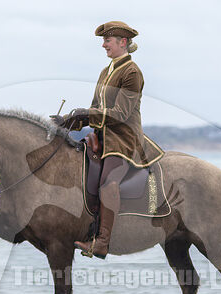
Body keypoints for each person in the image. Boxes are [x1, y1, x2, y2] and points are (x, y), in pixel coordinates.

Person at [53, 21, 164, 259]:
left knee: (107, 183)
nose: (104, 45)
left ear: (122, 42)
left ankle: (102, 242)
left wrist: (83, 113)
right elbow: (95, 109)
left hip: (124, 140)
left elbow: (121, 114)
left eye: (107, 41)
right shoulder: (106, 71)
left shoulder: (132, 72)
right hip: (102, 136)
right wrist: (67, 120)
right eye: (103, 41)